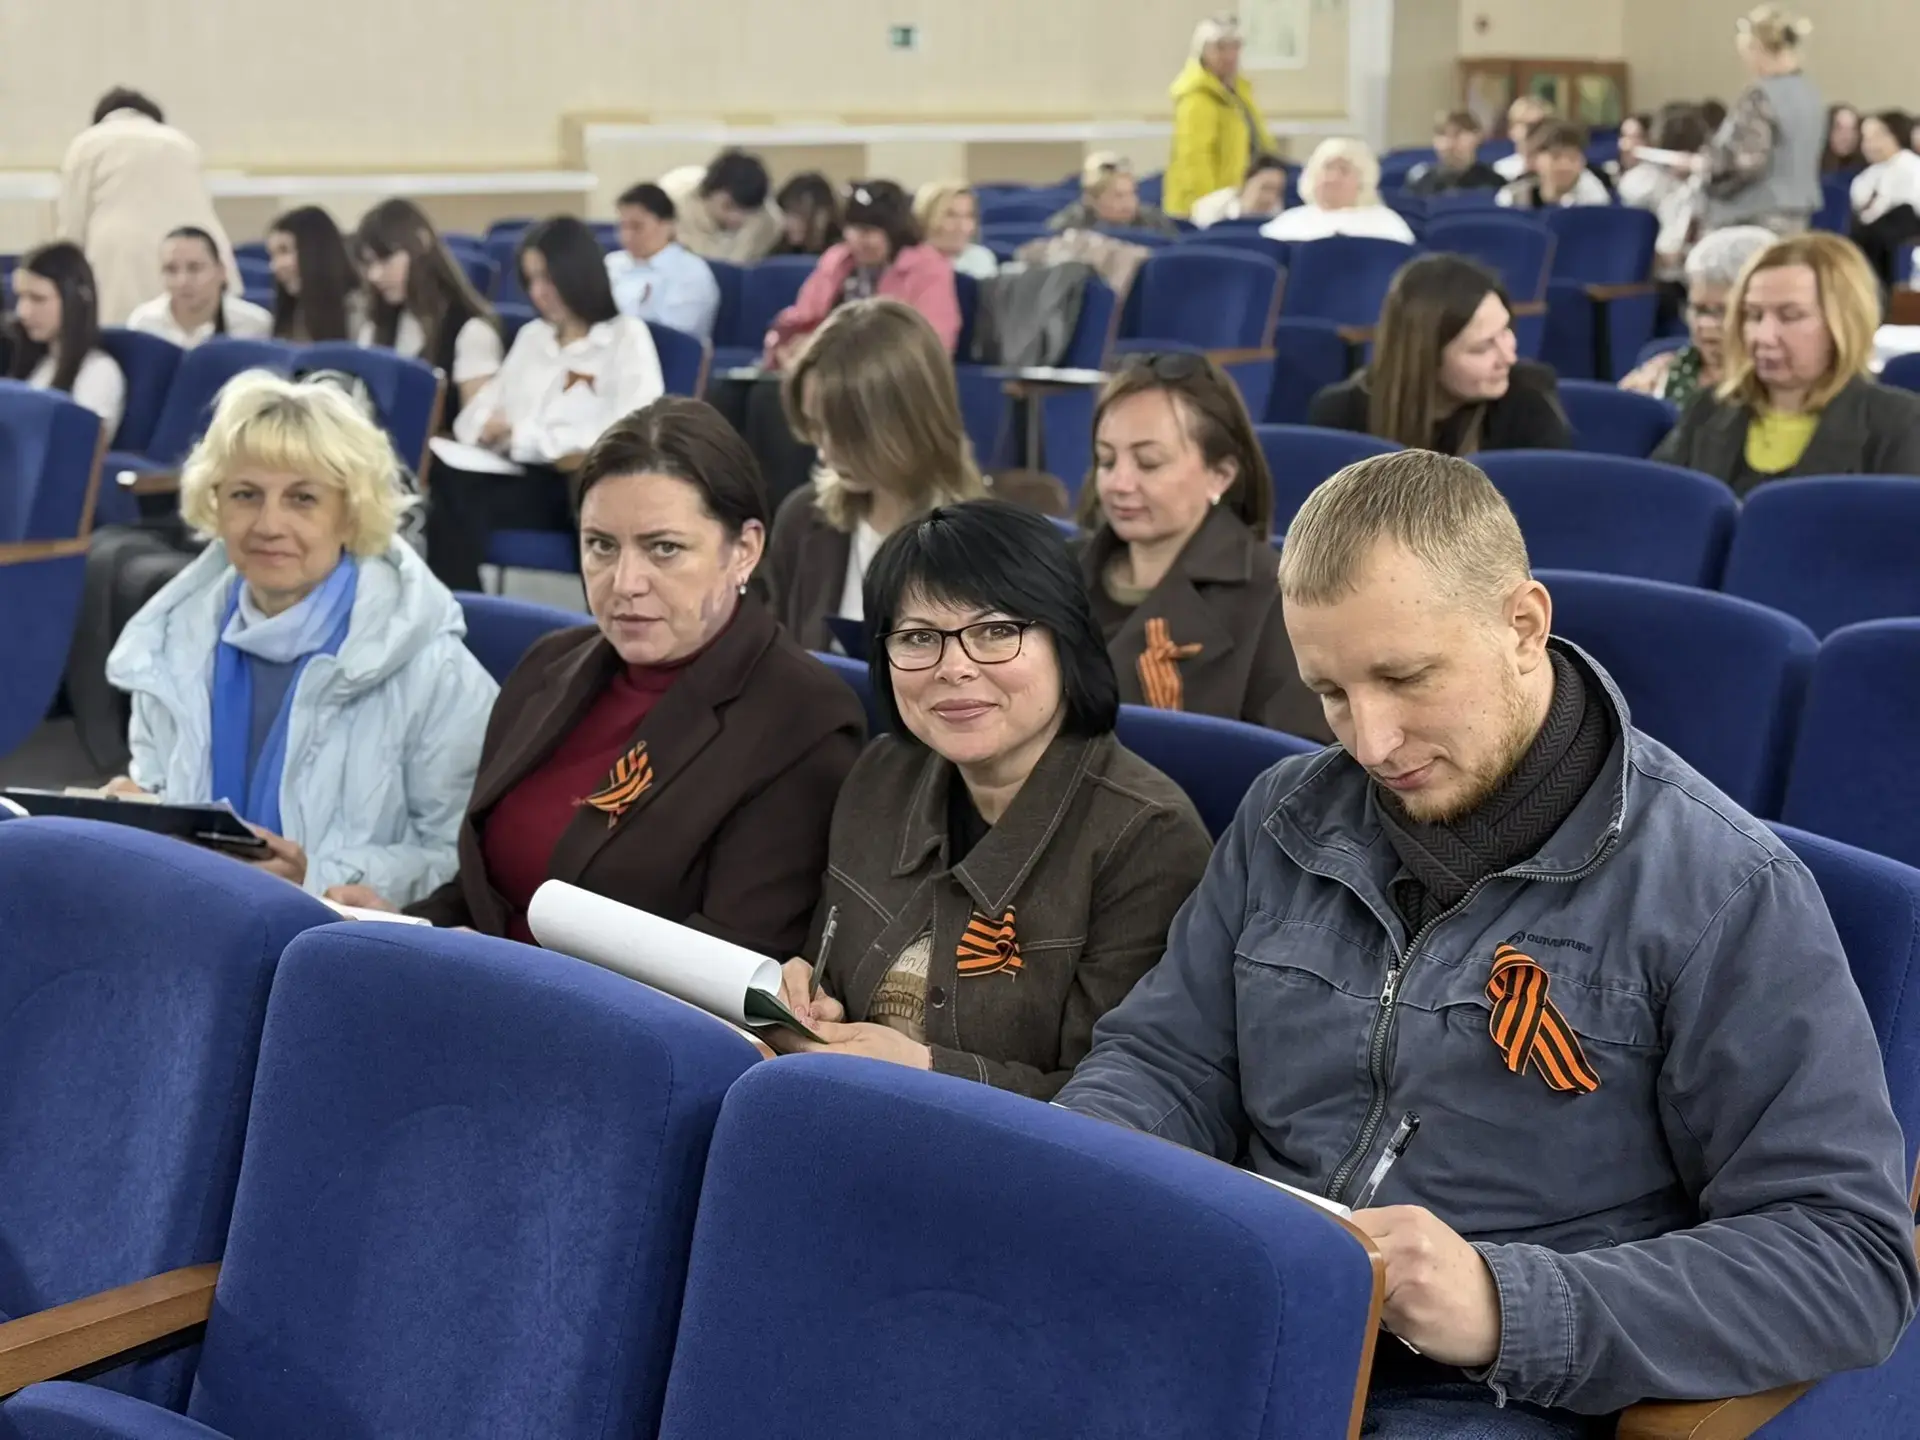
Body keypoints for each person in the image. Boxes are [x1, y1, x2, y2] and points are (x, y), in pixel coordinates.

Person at [1057, 449, 1920, 1436]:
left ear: (1524, 626)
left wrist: (1506, 1306)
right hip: (1244, 1319)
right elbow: (1166, 1060)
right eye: (1330, 692)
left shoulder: (1723, 890)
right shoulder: (1286, 815)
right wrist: (1089, 1171)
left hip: (1491, 1393)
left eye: (1405, 677)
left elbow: (1847, 1257)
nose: (1369, 742)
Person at [332, 399, 866, 957]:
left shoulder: (802, 720)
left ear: (744, 550)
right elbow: (482, 894)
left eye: (664, 549)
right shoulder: (550, 665)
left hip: (595, 1011)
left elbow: (727, 971)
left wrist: (493, 972)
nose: (625, 582)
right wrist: (407, 925)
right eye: (601, 546)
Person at [770, 500, 1212, 1095]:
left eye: (996, 631)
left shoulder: (1149, 838)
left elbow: (1116, 1103)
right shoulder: (881, 773)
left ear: (1067, 641)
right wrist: (806, 996)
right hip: (836, 1105)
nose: (954, 667)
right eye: (919, 637)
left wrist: (929, 1071)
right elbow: (829, 969)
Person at [103, 373, 497, 903]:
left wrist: (313, 878)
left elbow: (461, 857)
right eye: (246, 495)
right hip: (187, 916)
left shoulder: (437, 672)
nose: (269, 524)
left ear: (351, 512)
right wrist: (138, 815)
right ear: (215, 503)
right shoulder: (166, 646)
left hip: (335, 940)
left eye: (302, 498)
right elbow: (161, 791)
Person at [1076, 354, 1327, 738]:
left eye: (1148, 463)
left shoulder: (1279, 600)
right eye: (1106, 461)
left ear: (1220, 475)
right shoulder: (1056, 572)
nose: (1118, 483)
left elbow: (1299, 763)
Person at [426, 217, 664, 592]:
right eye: (531, 280)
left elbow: (632, 430)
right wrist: (487, 426)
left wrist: (522, 436)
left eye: (548, 279)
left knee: (582, 488)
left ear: (577, 275)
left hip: (582, 481)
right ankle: (462, 606)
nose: (539, 293)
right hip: (523, 476)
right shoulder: (532, 337)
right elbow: (476, 414)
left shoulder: (625, 337)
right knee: (448, 484)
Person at [759, 299, 985, 652]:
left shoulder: (982, 545)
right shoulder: (802, 520)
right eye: (816, 427)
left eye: (848, 434)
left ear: (910, 421)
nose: (825, 453)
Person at [1653, 232, 1920, 492]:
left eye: (1790, 316)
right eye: (1753, 315)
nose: (1763, 336)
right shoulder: (1708, 408)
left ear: (1844, 324)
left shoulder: (1900, 424)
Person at [1308, 255, 1570, 455]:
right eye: (1482, 348)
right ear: (1425, 359)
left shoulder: (1529, 400)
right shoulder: (1341, 415)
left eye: (1506, 330)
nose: (1509, 358)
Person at [57, 88, 236, 325]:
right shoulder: (181, 142)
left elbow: (71, 228)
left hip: (121, 257)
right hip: (197, 254)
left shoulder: (88, 142)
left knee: (128, 335)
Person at [766, 181, 960, 361]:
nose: (858, 239)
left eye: (869, 231)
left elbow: (935, 342)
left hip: (890, 371)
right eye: (853, 229)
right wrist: (785, 344)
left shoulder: (929, 268)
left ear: (895, 233)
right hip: (829, 365)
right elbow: (802, 316)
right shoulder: (837, 260)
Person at [354, 198, 503, 421]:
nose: (374, 275)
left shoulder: (470, 331)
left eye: (385, 260)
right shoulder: (376, 327)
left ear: (421, 245)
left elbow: (477, 430)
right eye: (369, 263)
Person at [1699, 6, 1824, 236]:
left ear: (1757, 48)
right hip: (1797, 213)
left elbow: (1748, 161)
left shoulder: (1760, 95)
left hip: (1752, 214)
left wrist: (1706, 168)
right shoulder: (1812, 94)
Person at [1620, 225, 1776, 406]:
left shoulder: (1783, 385)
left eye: (1722, 311)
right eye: (1699, 310)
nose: (1705, 323)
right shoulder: (1663, 375)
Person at [6, 242, 126, 436]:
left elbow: (80, 445)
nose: (23, 312)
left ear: (74, 301)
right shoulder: (36, 361)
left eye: (38, 299)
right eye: (20, 297)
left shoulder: (98, 372)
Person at [1165, 13, 1276, 219]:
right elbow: (1195, 161)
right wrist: (1211, 208)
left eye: (1235, 47)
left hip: (1239, 201)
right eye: (1221, 48)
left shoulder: (1240, 92)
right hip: (1207, 209)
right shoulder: (1196, 98)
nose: (1229, 55)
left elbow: (1259, 141)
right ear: (1203, 52)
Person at [603, 181, 722, 341]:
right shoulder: (612, 263)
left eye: (637, 227)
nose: (626, 236)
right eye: (622, 226)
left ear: (667, 225)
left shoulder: (690, 273)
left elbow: (674, 337)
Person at [127, 227, 273, 347]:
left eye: (194, 268)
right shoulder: (144, 323)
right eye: (171, 269)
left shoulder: (254, 325)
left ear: (221, 271)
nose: (182, 281)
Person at [1261, 138, 1416, 244]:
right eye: (1327, 168)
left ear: (1363, 181)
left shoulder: (1387, 223)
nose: (1332, 178)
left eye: (1344, 170)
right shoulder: (1289, 221)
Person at [659, 149, 783, 264]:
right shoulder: (673, 199)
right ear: (708, 192)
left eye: (746, 211)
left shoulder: (768, 220)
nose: (736, 218)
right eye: (728, 206)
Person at [265, 206, 358, 343]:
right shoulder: (293, 314)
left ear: (317, 252)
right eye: (272, 255)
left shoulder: (360, 314)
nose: (275, 266)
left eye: (284, 251)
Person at [1848, 110, 1920, 287]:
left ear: (1895, 135)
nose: (1869, 144)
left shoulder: (1911, 167)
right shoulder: (1865, 177)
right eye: (1865, 138)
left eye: (1877, 136)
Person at [1047, 154, 1181, 238]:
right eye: (1118, 196)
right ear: (1092, 199)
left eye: (1132, 194)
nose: (1129, 202)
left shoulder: (1154, 221)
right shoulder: (1067, 226)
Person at [1496, 121, 1611, 210]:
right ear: (1536, 160)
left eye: (1573, 158)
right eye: (1555, 157)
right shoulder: (1512, 197)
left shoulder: (1594, 197)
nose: (1565, 166)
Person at [913, 180, 999, 280]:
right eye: (951, 215)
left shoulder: (981, 258)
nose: (962, 226)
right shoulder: (909, 263)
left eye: (968, 216)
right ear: (926, 219)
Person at [1406, 112, 1504, 197]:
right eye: (1442, 134)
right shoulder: (1420, 182)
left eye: (1458, 134)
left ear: (1477, 137)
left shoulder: (1494, 183)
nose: (1450, 144)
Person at [1187, 154, 1289, 228]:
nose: (1270, 198)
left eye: (1277, 192)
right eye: (1265, 188)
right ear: (1246, 183)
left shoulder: (1278, 215)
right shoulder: (1210, 207)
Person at [769, 173, 843, 257]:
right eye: (786, 213)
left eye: (797, 214)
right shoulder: (776, 253)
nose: (787, 222)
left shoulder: (840, 257)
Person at [1494, 96, 1554, 181]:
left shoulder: (1565, 170)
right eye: (1528, 125)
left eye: (1541, 125)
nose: (1535, 131)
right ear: (1511, 130)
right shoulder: (1499, 172)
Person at [1823, 102, 1864, 173]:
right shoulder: (1811, 166)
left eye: (1853, 129)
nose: (1846, 136)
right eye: (1839, 128)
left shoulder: (1866, 171)